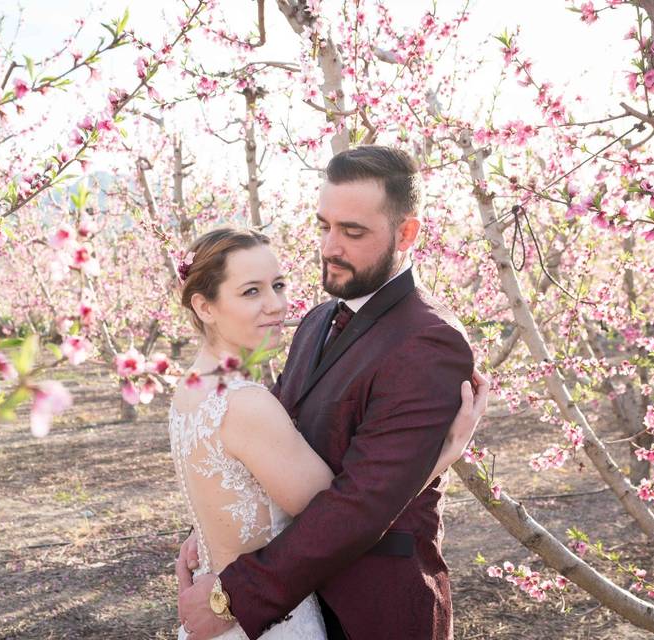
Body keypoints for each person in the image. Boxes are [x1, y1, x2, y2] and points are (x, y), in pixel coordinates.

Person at [170, 159, 485, 638]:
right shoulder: (316, 321)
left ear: (406, 234)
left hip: (372, 613)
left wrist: (231, 595)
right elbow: (264, 451)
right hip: (298, 602)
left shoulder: (427, 342)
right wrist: (216, 528)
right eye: (325, 226)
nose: (330, 247)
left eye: (353, 232)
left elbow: (361, 503)